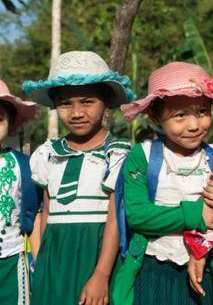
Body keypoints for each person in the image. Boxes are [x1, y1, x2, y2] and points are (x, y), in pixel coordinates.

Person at [113, 61, 213, 305]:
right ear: (155, 115)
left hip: (205, 273)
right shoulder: (144, 156)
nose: (193, 125)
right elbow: (138, 215)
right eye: (180, 115)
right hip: (152, 268)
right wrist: (195, 214)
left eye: (202, 112)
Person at [23, 51, 135, 305]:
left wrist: (101, 274)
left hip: (97, 255)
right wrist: (42, 263)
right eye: (65, 103)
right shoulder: (47, 154)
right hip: (54, 260)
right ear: (54, 106)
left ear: (106, 103)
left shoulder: (116, 153)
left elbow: (114, 219)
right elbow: (46, 211)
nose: (76, 112)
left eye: (87, 101)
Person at [0, 79, 40, 304]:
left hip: (10, 263)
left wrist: (39, 262)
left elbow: (33, 214)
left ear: (11, 123)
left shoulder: (23, 165)